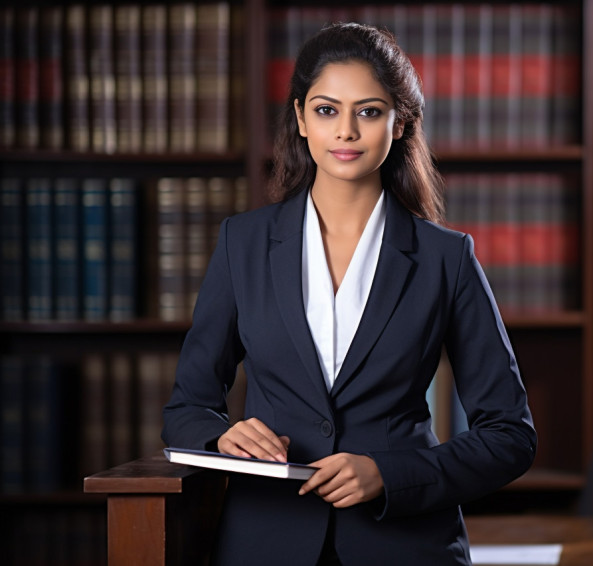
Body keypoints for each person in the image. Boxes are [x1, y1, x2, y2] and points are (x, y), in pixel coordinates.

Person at [162, 22, 536, 566]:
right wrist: (222, 437)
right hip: (267, 541)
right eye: (326, 110)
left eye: (369, 111)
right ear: (300, 119)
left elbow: (510, 436)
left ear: (401, 123)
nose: (346, 132)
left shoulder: (445, 258)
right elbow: (188, 408)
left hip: (405, 546)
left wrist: (391, 474)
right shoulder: (242, 243)